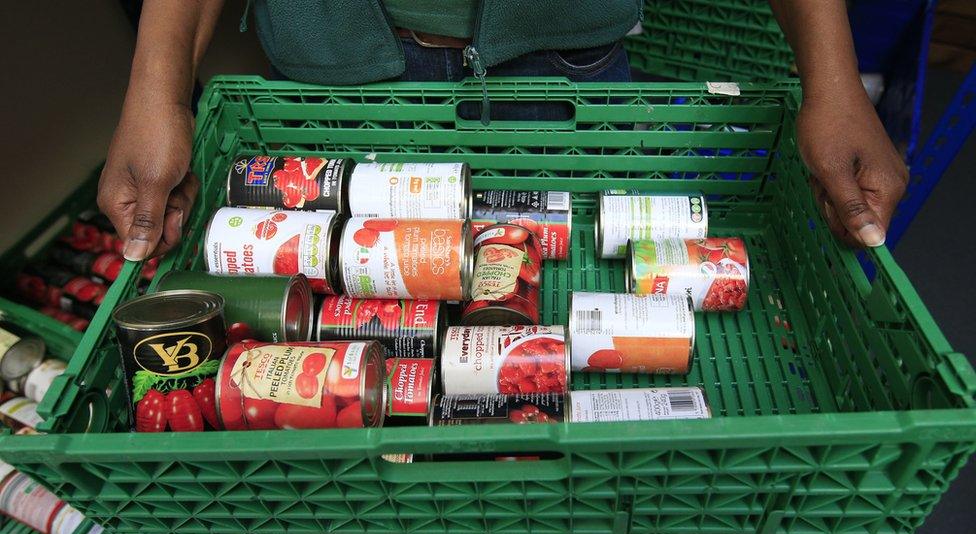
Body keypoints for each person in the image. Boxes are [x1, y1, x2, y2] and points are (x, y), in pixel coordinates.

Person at [99, 0, 907, 261]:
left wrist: (832, 78)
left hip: (562, 74)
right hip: (333, 80)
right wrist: (157, 85)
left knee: (559, 299)